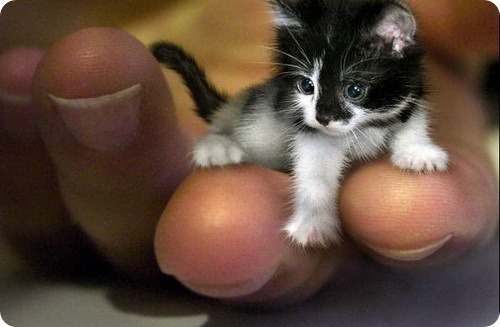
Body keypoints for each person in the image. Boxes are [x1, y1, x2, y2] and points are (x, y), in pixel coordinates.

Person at [0, 0, 497, 306]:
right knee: (260, 127)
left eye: (356, 91)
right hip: (252, 123)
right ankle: (224, 132)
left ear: (397, 44)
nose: (323, 113)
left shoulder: (401, 86)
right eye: (306, 84)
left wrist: (413, 144)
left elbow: (407, 117)